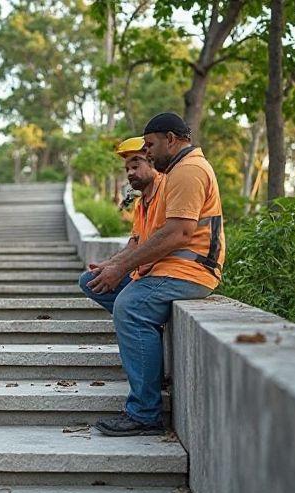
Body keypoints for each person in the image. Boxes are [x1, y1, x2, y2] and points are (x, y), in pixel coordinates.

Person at [79, 113, 225, 436]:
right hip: (169, 269)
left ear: (171, 140)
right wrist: (114, 265)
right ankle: (148, 352)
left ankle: (145, 413)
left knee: (129, 307)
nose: (148, 154)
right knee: (97, 285)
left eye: (150, 146)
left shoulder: (188, 171)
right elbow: (145, 240)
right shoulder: (177, 173)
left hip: (191, 270)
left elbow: (178, 234)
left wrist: (122, 268)